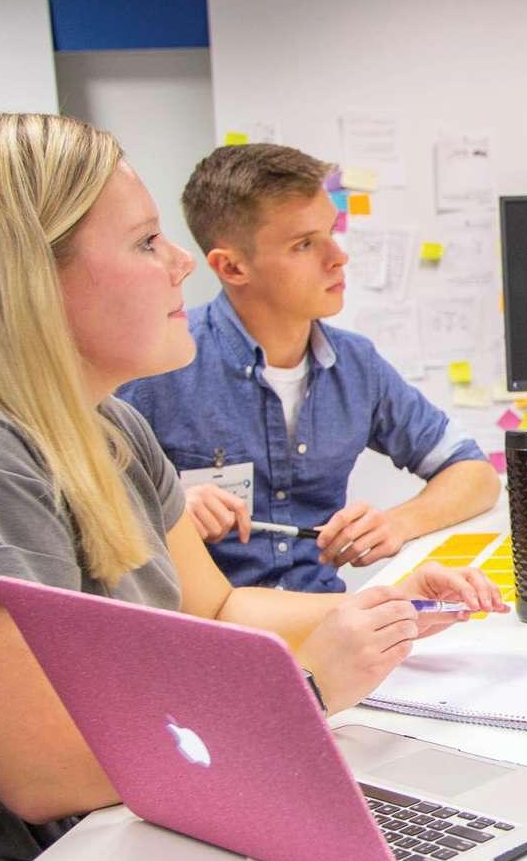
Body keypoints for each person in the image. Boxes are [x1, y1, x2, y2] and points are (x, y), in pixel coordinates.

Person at [0, 113, 508, 861]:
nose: (181, 262)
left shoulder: (112, 425)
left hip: (141, 814)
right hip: (52, 860)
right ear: (27, 276)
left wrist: (384, 607)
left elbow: (215, 611)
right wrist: (307, 691)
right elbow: (44, 774)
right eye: (146, 242)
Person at [117, 143, 501, 592]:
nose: (338, 257)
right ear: (232, 267)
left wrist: (397, 523)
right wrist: (167, 506)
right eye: (303, 245)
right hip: (210, 633)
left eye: (331, 232)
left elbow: (474, 474)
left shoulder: (357, 365)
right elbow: (84, 505)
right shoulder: (158, 366)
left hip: (326, 622)